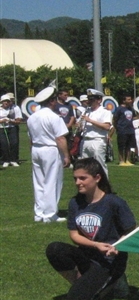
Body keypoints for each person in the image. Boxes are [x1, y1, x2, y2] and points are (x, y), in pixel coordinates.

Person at [46, 157, 136, 300]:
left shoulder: (114, 202)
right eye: (75, 178)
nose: (77, 182)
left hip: (109, 262)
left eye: (83, 178)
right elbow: (74, 235)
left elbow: (131, 230)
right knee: (54, 249)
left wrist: (117, 247)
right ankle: (83, 285)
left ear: (97, 178)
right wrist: (96, 245)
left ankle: (115, 282)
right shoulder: (75, 203)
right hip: (88, 258)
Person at [26, 87, 71, 222]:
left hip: (36, 149)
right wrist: (66, 156)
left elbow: (30, 138)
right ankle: (50, 214)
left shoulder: (32, 117)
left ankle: (39, 213)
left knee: (38, 182)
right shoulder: (54, 117)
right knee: (52, 181)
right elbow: (60, 138)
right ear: (51, 101)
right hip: (50, 149)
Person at [79, 89, 113, 175]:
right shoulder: (86, 111)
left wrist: (90, 120)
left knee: (99, 165)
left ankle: (104, 185)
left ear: (99, 100)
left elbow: (107, 126)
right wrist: (80, 126)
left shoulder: (105, 112)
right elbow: (83, 125)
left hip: (97, 140)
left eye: (92, 99)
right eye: (88, 99)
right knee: (85, 166)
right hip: (85, 139)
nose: (89, 101)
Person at [0, 93, 23, 167]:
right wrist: (2, 120)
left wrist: (10, 120)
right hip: (1, 128)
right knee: (4, 144)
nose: (6, 102)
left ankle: (13, 160)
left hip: (12, 127)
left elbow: (18, 120)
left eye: (7, 101)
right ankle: (5, 160)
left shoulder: (14, 108)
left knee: (14, 143)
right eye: (4, 101)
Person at [112, 94, 136, 166]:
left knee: (129, 146)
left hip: (130, 130)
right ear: (124, 101)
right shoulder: (119, 109)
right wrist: (117, 127)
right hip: (122, 130)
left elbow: (134, 117)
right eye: (128, 99)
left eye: (130, 99)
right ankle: (121, 160)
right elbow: (115, 119)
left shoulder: (131, 109)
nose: (130, 101)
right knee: (121, 146)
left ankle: (127, 160)